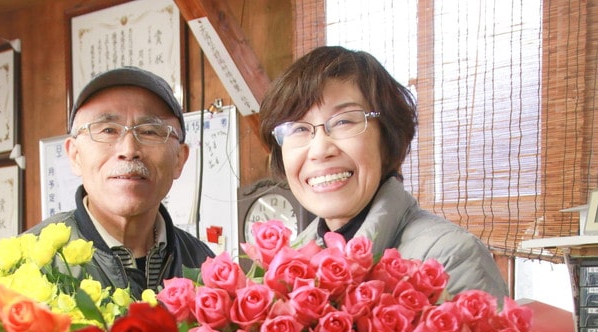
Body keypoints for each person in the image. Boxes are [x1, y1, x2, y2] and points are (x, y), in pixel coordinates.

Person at [257, 46, 508, 299]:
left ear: (387, 139)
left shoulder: (451, 259)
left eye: (344, 121)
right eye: (298, 128)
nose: (320, 149)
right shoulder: (290, 265)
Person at [27, 67, 213, 298]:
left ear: (179, 159)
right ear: (74, 155)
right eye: (107, 130)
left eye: (150, 132)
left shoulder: (204, 266)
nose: (129, 150)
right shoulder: (28, 263)